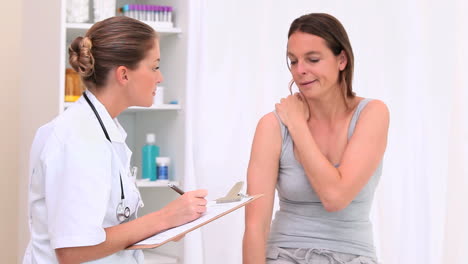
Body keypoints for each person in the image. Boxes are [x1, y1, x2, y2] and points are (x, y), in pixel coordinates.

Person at [23, 16, 208, 263]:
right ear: (123, 75)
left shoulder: (102, 131)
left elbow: (108, 228)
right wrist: (164, 218)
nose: (160, 77)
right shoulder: (77, 138)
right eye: (154, 67)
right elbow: (73, 250)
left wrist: (164, 226)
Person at [243, 13, 389, 264]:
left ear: (341, 59)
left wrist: (298, 125)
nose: (300, 71)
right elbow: (256, 227)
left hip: (354, 256)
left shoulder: (372, 114)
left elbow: (335, 197)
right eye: (293, 61)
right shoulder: (272, 126)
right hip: (284, 255)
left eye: (312, 59)